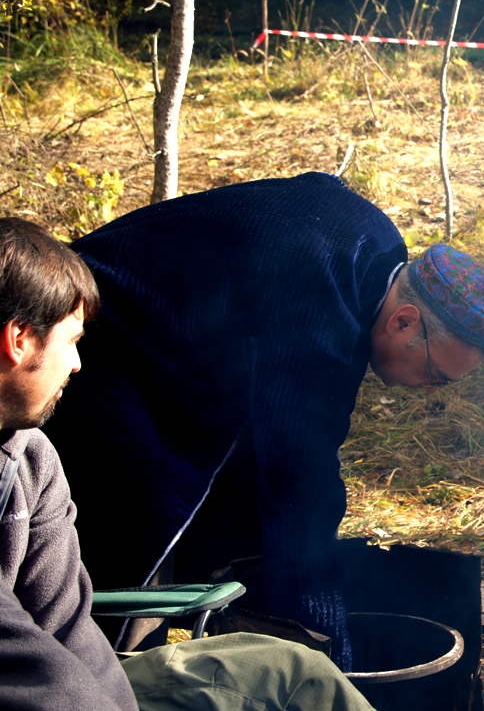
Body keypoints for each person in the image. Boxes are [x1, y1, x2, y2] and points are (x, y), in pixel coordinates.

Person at [42, 172, 484, 669]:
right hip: (91, 335)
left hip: (174, 349)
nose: (431, 391)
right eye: (436, 375)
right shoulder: (320, 313)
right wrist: (331, 654)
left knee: (243, 502)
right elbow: (300, 484)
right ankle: (102, 670)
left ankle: (247, 647)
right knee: (146, 517)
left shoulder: (376, 252)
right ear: (404, 321)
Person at [0, 216, 375, 711]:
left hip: (73, 690)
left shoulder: (32, 459)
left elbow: (67, 626)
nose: (77, 363)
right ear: (19, 339)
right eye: (71, 340)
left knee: (291, 673)